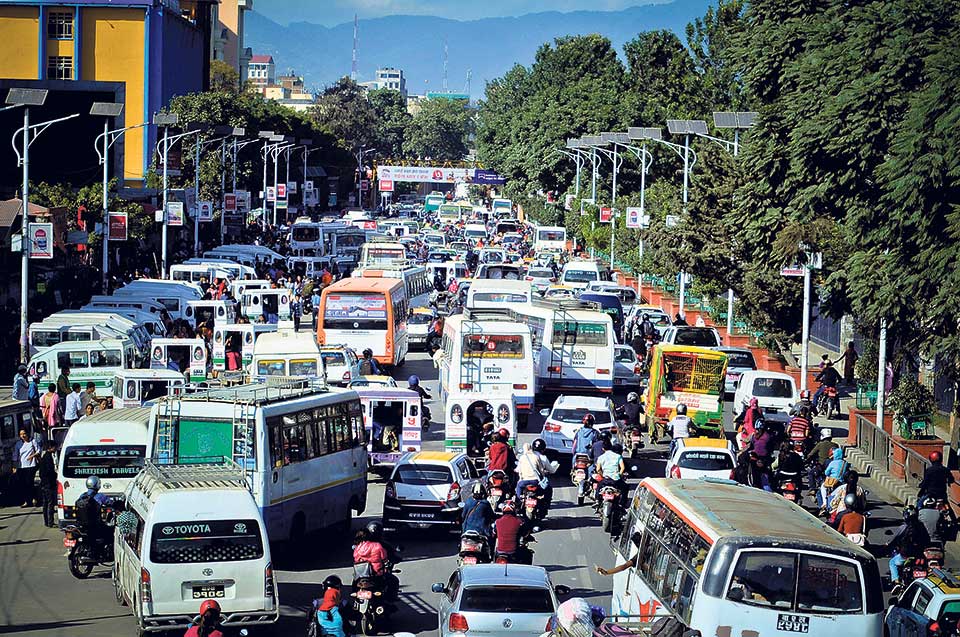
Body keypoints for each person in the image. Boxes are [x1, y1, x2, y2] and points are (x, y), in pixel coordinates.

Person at [887, 505, 931, 587]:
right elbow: (927, 539)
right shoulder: (921, 526)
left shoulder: (904, 527)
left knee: (892, 562)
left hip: (905, 555)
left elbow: (894, 539)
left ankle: (896, 582)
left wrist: (887, 544)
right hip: (919, 555)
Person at [515, 439, 555, 512]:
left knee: (518, 488)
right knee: (548, 488)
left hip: (523, 482)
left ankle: (518, 503)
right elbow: (542, 470)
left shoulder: (522, 457)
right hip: (535, 481)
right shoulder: (537, 457)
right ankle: (546, 504)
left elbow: (518, 470)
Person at [74, 475, 115, 545]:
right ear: (97, 484)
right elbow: (111, 503)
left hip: (81, 526)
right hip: (95, 525)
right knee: (110, 532)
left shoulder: (83, 495)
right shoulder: (100, 496)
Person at [493, 499, 533, 563]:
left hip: (500, 551)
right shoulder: (519, 522)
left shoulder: (497, 522)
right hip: (513, 552)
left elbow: (494, 534)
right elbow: (525, 534)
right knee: (527, 553)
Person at [593, 438, 627, 506]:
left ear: (603, 448)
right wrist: (619, 475)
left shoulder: (601, 457)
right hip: (616, 480)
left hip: (606, 479)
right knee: (625, 487)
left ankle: (597, 501)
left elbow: (598, 469)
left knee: (598, 487)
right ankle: (622, 503)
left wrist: (602, 475)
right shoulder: (618, 456)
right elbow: (623, 468)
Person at [12, 429, 40, 507]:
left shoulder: (32, 442)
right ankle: (26, 501)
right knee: (23, 484)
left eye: (24, 434)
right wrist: (14, 466)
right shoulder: (18, 444)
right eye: (21, 434)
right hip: (21, 466)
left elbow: (38, 451)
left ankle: (34, 498)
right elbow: (15, 456)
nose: (23, 436)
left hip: (31, 465)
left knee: (30, 483)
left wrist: (32, 456)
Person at [819, 447, 849, 515]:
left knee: (823, 487)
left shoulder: (832, 463)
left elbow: (826, 472)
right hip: (841, 482)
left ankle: (824, 503)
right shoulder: (845, 463)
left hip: (832, 481)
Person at [37, 439, 58, 527]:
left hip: (44, 483)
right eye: (54, 447)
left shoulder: (44, 456)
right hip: (48, 484)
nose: (55, 448)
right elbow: (50, 471)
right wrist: (55, 475)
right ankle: (50, 521)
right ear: (51, 447)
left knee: (45, 503)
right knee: (50, 502)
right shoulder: (48, 457)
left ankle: (47, 521)